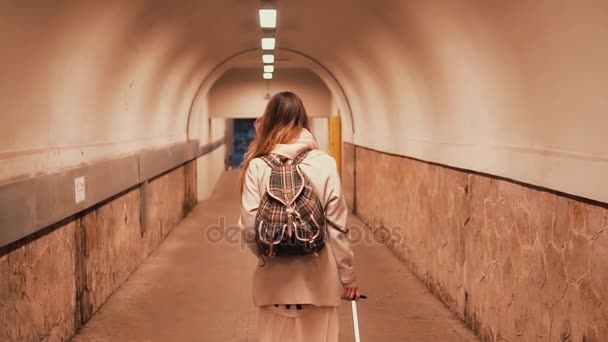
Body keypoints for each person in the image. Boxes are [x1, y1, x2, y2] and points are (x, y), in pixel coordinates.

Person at [238, 91, 359, 342]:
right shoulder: (324, 163)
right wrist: (347, 277)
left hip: (273, 290)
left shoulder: (257, 166)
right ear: (304, 121)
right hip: (320, 289)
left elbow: (249, 227)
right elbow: (337, 227)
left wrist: (266, 255)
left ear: (268, 121)